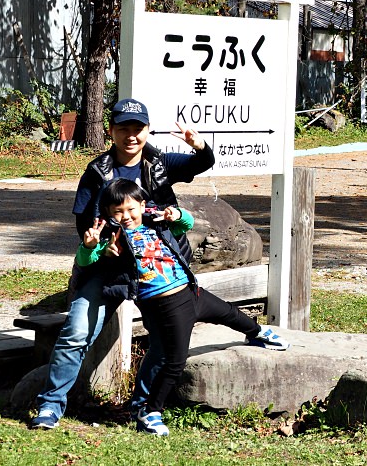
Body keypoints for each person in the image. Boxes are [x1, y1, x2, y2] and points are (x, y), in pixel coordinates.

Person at [32, 98, 215, 430]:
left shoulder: (159, 163)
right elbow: (84, 224)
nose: (131, 136)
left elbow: (203, 162)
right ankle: (50, 405)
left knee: (162, 342)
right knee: (77, 331)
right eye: (123, 129)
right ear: (111, 131)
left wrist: (198, 144)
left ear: (146, 130)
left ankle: (141, 406)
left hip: (156, 270)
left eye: (138, 128)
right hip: (108, 268)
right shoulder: (97, 171)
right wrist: (102, 248)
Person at [77, 179, 288, 436]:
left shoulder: (156, 223)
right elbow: (86, 261)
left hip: (190, 290)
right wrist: (90, 247)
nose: (125, 216)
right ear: (109, 213)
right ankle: (150, 411)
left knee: (228, 313)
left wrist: (177, 214)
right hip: (164, 304)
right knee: (174, 360)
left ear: (142, 205)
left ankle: (257, 333)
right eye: (117, 211)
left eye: (131, 209)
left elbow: (186, 224)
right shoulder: (112, 237)